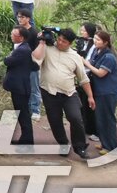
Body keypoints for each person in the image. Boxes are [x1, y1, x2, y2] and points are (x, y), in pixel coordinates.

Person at [31, 27, 95, 159]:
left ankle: (80, 147)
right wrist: (42, 42)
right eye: (59, 39)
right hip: (49, 92)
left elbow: (83, 79)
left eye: (64, 41)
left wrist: (90, 96)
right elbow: (35, 58)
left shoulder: (75, 57)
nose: (60, 43)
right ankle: (63, 144)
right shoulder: (48, 49)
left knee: (76, 118)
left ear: (70, 43)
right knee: (55, 121)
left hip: (69, 94)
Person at [84, 30, 117, 153]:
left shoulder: (109, 57)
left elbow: (100, 73)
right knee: (100, 118)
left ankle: (111, 146)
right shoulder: (97, 52)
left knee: (108, 119)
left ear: (105, 42)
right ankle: (105, 142)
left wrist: (86, 64)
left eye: (98, 40)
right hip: (100, 91)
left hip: (108, 92)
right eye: (94, 38)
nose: (95, 41)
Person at [2, 25, 39, 147]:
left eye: (14, 34)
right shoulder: (22, 48)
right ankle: (25, 138)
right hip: (20, 86)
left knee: (23, 114)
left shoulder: (23, 50)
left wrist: (8, 57)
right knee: (22, 113)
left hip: (20, 87)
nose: (11, 36)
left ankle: (27, 140)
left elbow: (8, 61)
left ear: (21, 37)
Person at [17, 8, 42, 121]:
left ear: (28, 18)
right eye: (18, 17)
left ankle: (36, 110)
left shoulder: (34, 32)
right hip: (20, 65)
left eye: (22, 17)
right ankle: (25, 109)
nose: (20, 19)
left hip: (32, 64)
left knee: (34, 88)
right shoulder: (17, 30)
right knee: (22, 88)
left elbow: (38, 50)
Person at [75, 22, 98, 139]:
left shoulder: (94, 45)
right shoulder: (84, 43)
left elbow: (88, 61)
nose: (81, 32)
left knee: (89, 104)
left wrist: (79, 59)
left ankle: (92, 128)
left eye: (83, 30)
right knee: (82, 103)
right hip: (82, 75)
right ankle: (85, 126)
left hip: (89, 76)